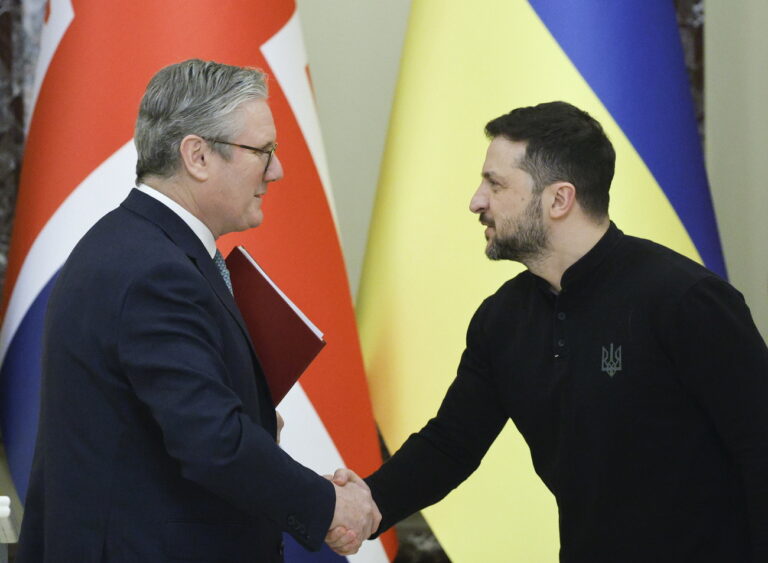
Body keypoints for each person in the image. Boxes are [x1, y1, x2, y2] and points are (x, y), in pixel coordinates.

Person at [328, 101, 768, 561]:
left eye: (495, 184)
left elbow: (760, 453)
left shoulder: (686, 300)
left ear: (559, 199)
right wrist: (367, 505)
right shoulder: (501, 320)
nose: (476, 201)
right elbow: (451, 445)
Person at [16, 59, 379, 562]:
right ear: (198, 156)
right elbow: (213, 443)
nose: (277, 170)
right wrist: (327, 506)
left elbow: (169, 435)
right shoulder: (154, 271)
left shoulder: (145, 247)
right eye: (263, 151)